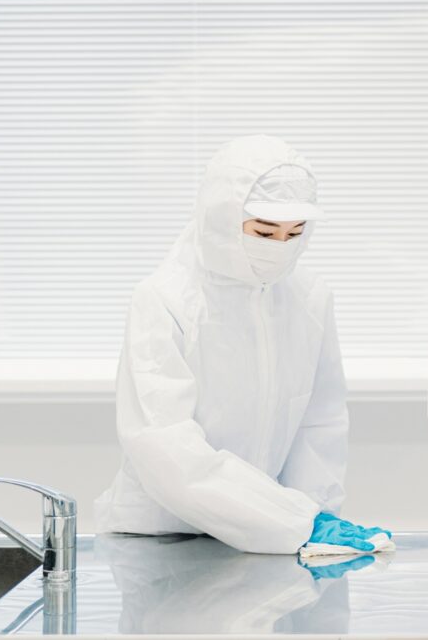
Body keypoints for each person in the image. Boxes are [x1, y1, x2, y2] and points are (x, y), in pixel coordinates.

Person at [96, 135, 388, 555]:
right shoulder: (165, 299)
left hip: (271, 538)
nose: (280, 248)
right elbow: (166, 449)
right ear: (222, 218)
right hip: (162, 537)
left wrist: (314, 518)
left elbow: (319, 422)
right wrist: (293, 521)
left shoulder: (308, 298)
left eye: (294, 233)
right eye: (265, 232)